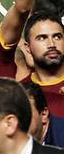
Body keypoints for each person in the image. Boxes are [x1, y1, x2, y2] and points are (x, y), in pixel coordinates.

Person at [21, 11, 64, 146]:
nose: (51, 44)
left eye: (57, 37)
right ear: (28, 48)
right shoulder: (19, 93)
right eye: (42, 38)